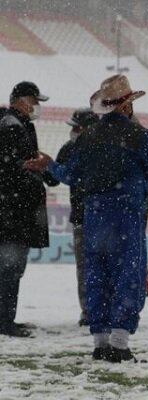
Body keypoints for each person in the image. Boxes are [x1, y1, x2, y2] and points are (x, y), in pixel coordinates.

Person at [24, 75, 148, 362]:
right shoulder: (138, 135)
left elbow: (70, 175)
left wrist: (50, 164)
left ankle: (100, 341)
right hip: (126, 215)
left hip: (95, 215)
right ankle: (120, 342)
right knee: (128, 275)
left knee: (97, 275)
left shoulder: (88, 136)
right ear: (126, 106)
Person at [0, 81, 58, 337]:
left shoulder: (20, 125)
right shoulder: (11, 126)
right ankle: (4, 321)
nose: (37, 107)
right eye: (34, 101)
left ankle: (7, 317)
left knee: (12, 269)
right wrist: (33, 168)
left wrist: (41, 168)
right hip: (11, 212)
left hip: (15, 211)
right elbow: (14, 167)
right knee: (9, 268)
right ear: (21, 100)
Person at [56, 108, 100, 326]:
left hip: (101, 217)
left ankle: (100, 310)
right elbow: (53, 177)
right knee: (86, 267)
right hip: (84, 217)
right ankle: (89, 311)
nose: (72, 131)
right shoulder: (69, 148)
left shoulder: (105, 148)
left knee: (99, 266)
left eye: (76, 127)